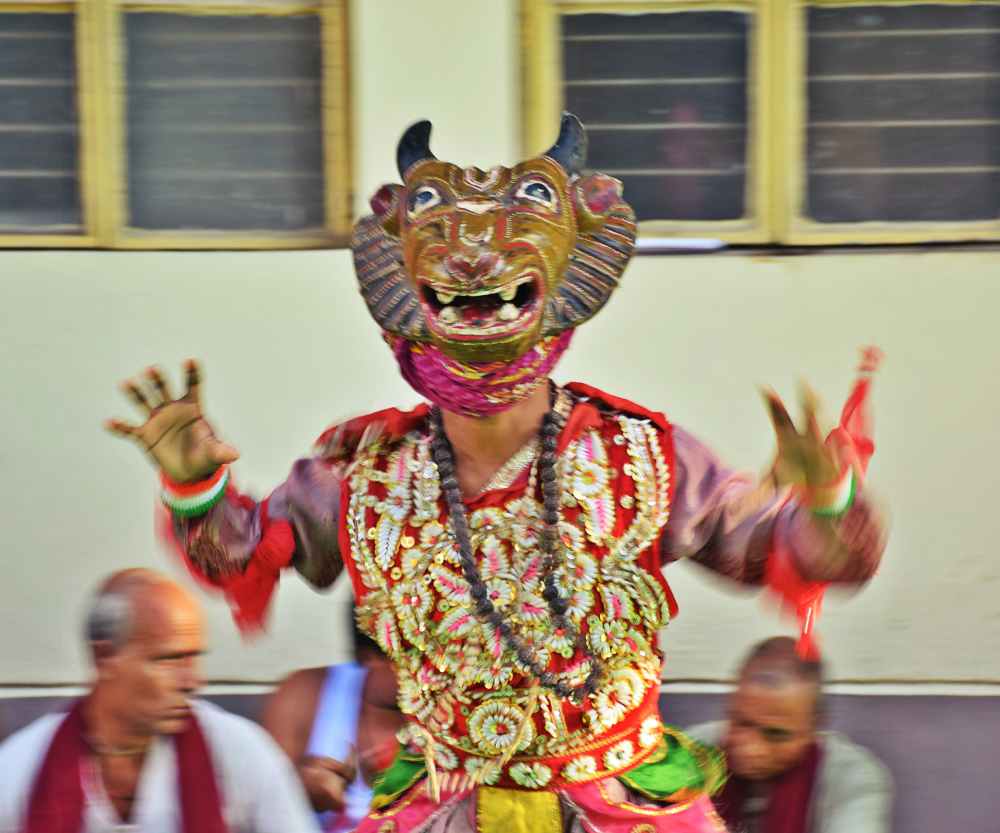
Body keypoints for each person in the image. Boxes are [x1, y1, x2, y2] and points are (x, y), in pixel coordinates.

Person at [106, 114, 888, 832]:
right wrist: (195, 487)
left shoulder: (643, 455)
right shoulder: (364, 471)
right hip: (445, 806)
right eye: (443, 237)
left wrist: (828, 498)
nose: (475, 258)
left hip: (621, 809)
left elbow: (792, 552)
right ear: (405, 287)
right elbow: (240, 553)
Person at [0, 569, 319, 833]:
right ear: (104, 656)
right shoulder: (20, 769)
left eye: (194, 658)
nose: (193, 682)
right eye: (168, 660)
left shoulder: (240, 752)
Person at [687, 637, 893, 833]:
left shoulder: (853, 778)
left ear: (814, 727)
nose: (752, 749)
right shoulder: (691, 754)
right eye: (741, 723)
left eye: (776, 734)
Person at [260, 613, 405, 831]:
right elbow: (257, 801)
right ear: (370, 656)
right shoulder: (306, 693)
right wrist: (298, 791)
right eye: (412, 657)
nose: (430, 670)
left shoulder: (454, 707)